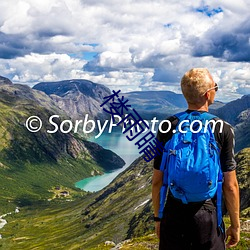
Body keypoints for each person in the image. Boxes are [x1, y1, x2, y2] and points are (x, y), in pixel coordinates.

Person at [152, 68, 240, 250]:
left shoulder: (168, 126)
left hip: (174, 212)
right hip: (207, 215)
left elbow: (157, 181)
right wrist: (235, 225)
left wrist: (158, 218)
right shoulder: (222, 129)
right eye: (216, 87)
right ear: (208, 94)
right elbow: (230, 185)